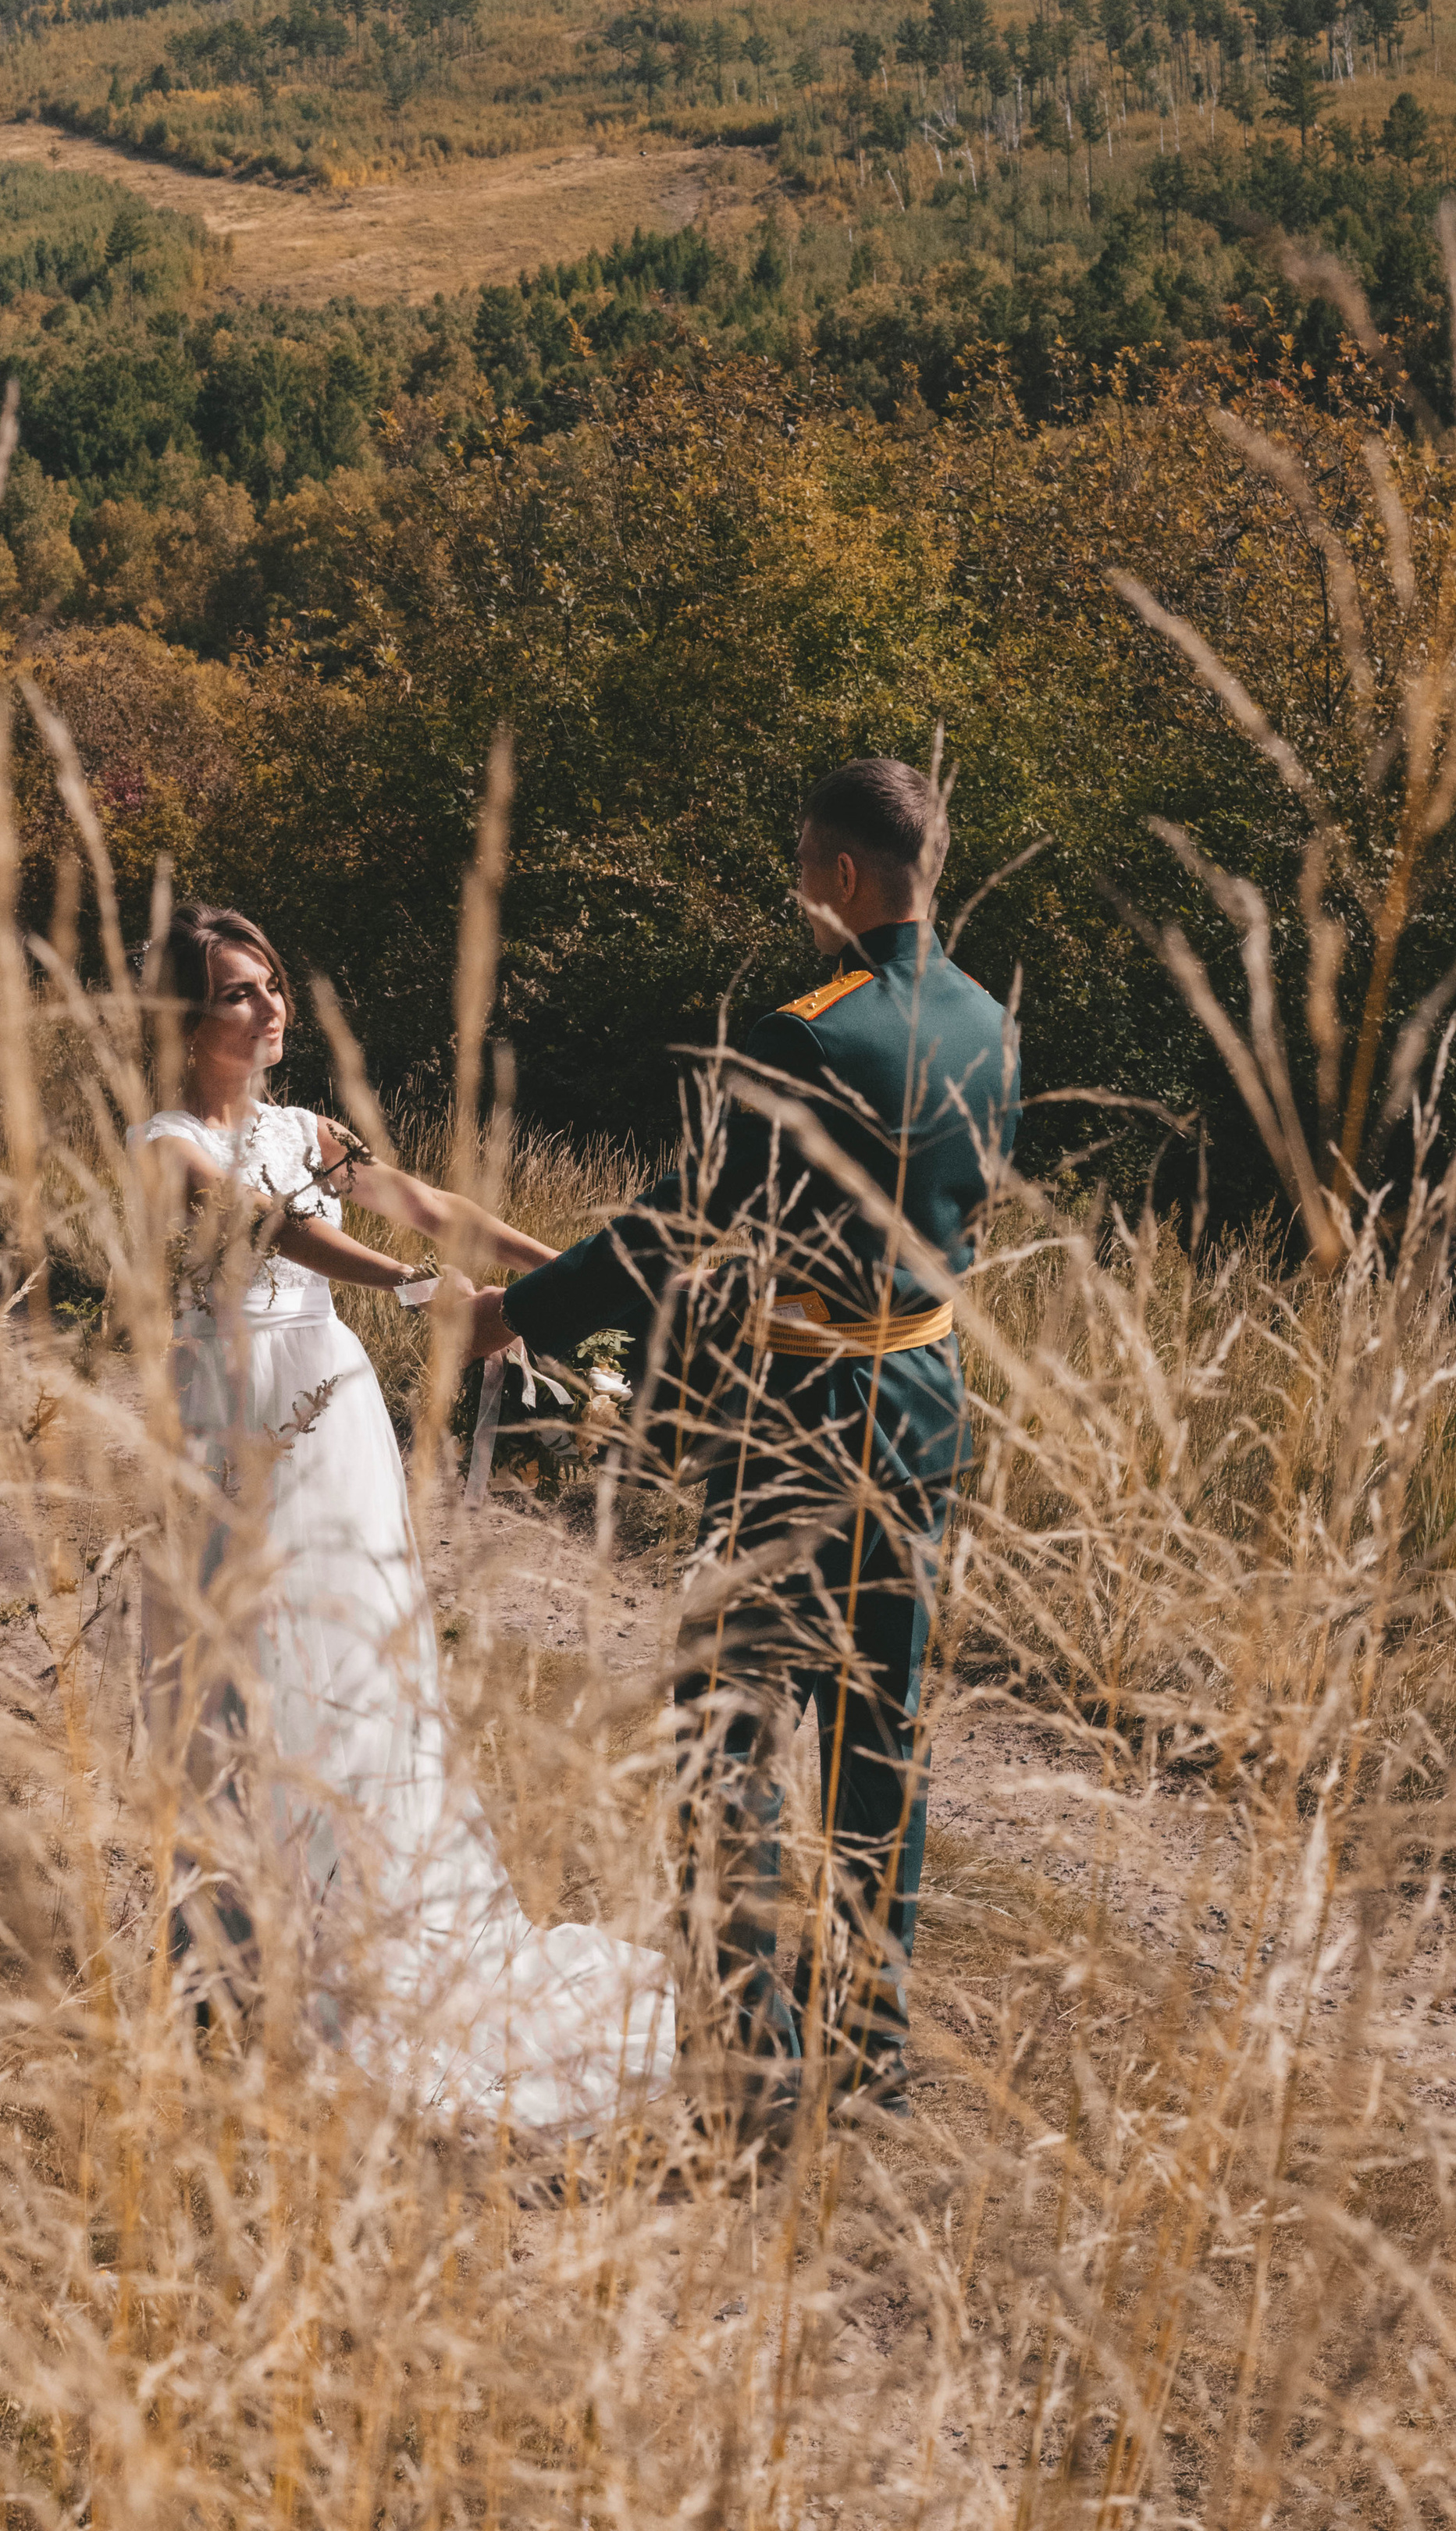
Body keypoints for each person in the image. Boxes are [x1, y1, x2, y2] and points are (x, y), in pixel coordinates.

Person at [472, 762, 1020, 2127]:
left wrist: (515, 1315)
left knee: (727, 1730)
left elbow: (676, 1229)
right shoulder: (992, 1021)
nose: (800, 895)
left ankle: (758, 2051)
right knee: (877, 1730)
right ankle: (871, 2053)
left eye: (800, 868)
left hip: (803, 1414)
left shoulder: (806, 1034)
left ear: (838, 875)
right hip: (929, 1398)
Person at [129, 899, 673, 2135]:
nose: (268, 1010)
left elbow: (428, 1206)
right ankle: (230, 1952)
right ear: (184, 1017)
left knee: (350, 1665)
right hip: (225, 1416)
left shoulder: (306, 1125)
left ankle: (351, 1935)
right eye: (235, 992)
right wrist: (421, 1291)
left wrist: (570, 1279)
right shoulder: (164, 1139)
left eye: (270, 986)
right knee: (234, 1671)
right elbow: (276, 1228)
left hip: (333, 1422)